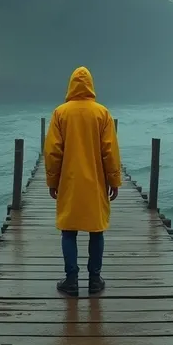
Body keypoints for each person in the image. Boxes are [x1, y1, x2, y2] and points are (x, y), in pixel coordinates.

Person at [44, 66, 121, 296]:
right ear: (91, 85)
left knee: (68, 231)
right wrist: (114, 180)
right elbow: (110, 151)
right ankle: (95, 280)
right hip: (96, 182)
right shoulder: (102, 113)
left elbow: (53, 152)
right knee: (97, 231)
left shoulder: (60, 113)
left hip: (69, 181)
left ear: (71, 85)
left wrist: (52, 181)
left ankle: (72, 280)